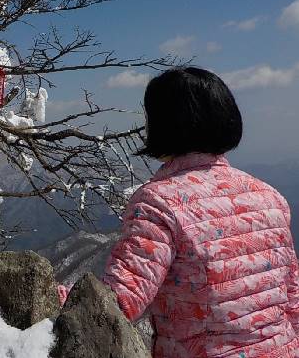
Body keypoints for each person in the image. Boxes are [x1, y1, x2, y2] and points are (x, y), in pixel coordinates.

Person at [86, 67, 299, 357]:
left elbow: (120, 299)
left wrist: (52, 294)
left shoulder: (157, 202)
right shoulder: (270, 196)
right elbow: (292, 300)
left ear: (164, 124)